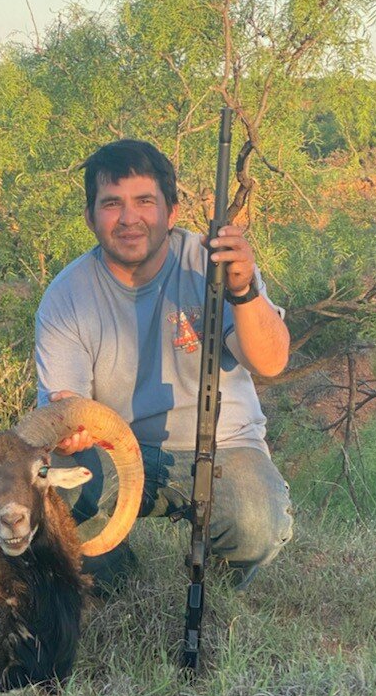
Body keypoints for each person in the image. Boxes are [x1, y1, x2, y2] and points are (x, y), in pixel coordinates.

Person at [35, 138, 293, 591]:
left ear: (171, 213)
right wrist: (68, 426)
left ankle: (217, 586)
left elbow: (271, 362)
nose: (129, 218)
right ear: (90, 216)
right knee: (52, 498)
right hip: (116, 450)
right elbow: (65, 407)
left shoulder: (211, 265)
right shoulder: (65, 296)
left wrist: (244, 290)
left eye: (144, 202)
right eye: (111, 203)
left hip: (224, 445)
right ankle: (116, 585)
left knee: (256, 524)